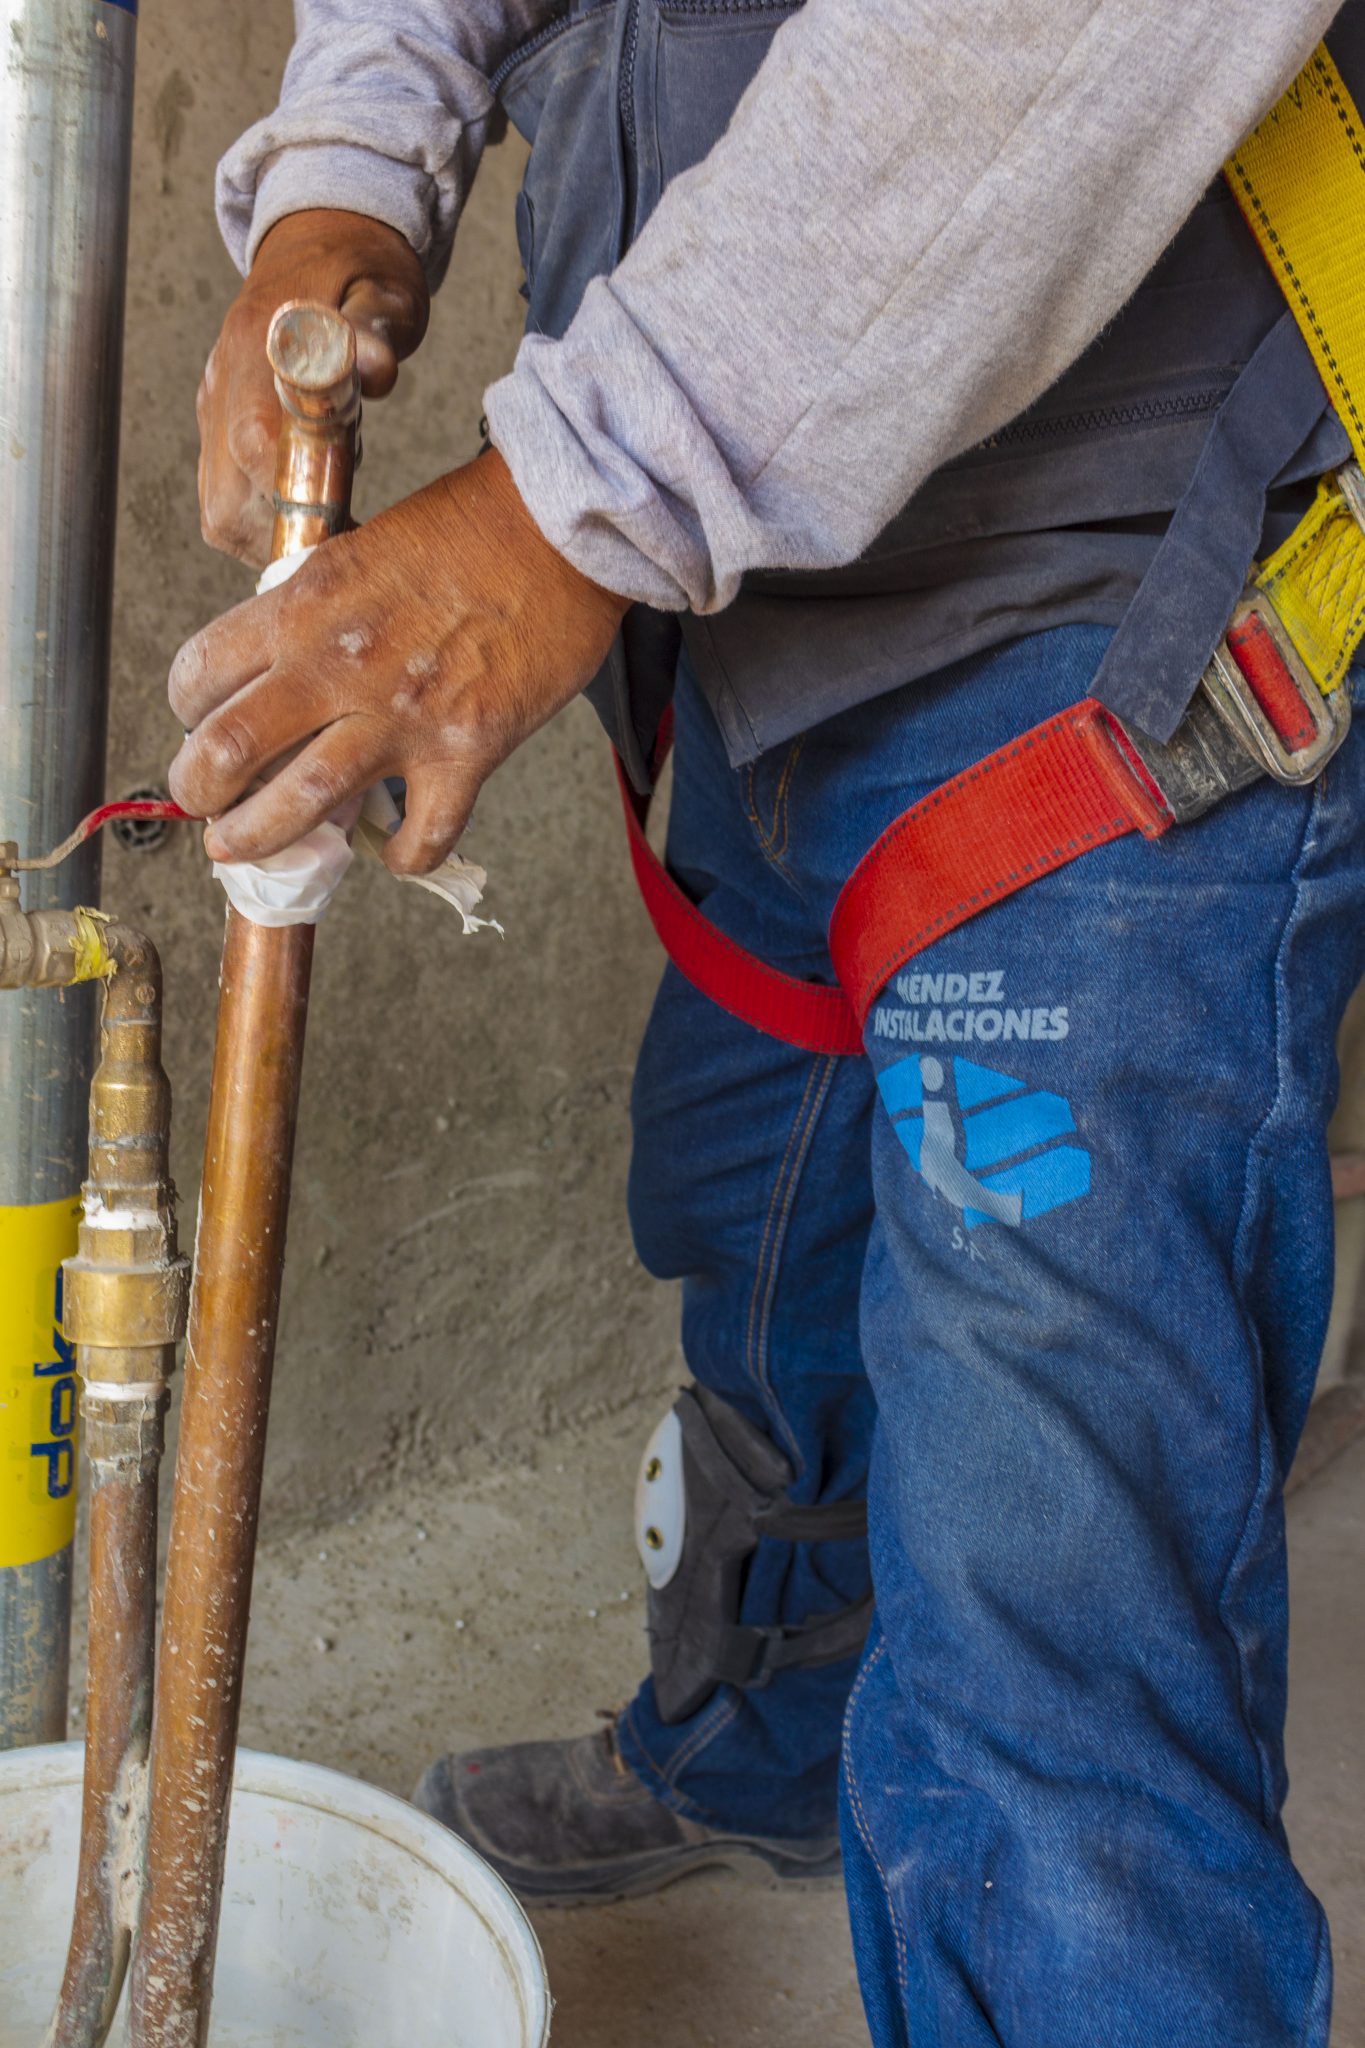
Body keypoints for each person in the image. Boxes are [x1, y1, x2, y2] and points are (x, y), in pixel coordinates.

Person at [175, 3, 1365, 2040]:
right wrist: (340, 178)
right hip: (752, 597)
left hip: (1103, 599)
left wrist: (568, 503)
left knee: (1042, 1576)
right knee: (758, 1212)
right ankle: (764, 1747)